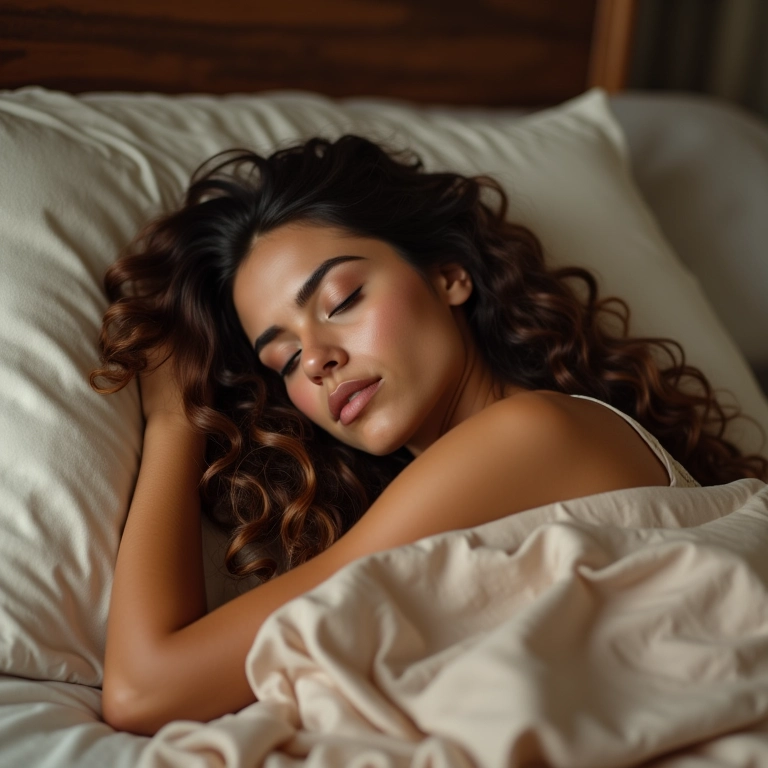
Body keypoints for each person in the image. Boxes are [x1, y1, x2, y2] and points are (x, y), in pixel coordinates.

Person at [91, 135, 767, 735]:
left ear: (448, 275)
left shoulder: (529, 433)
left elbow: (146, 689)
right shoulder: (461, 491)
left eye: (341, 300)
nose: (317, 359)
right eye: (285, 359)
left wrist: (174, 417)